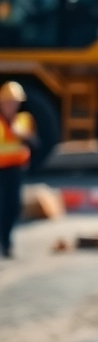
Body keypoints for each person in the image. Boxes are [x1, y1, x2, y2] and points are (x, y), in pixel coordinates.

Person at [0, 82, 35, 259]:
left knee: (13, 207)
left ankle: (6, 243)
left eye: (14, 102)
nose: (11, 106)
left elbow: (36, 144)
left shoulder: (24, 120)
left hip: (15, 170)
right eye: (7, 102)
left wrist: (24, 135)